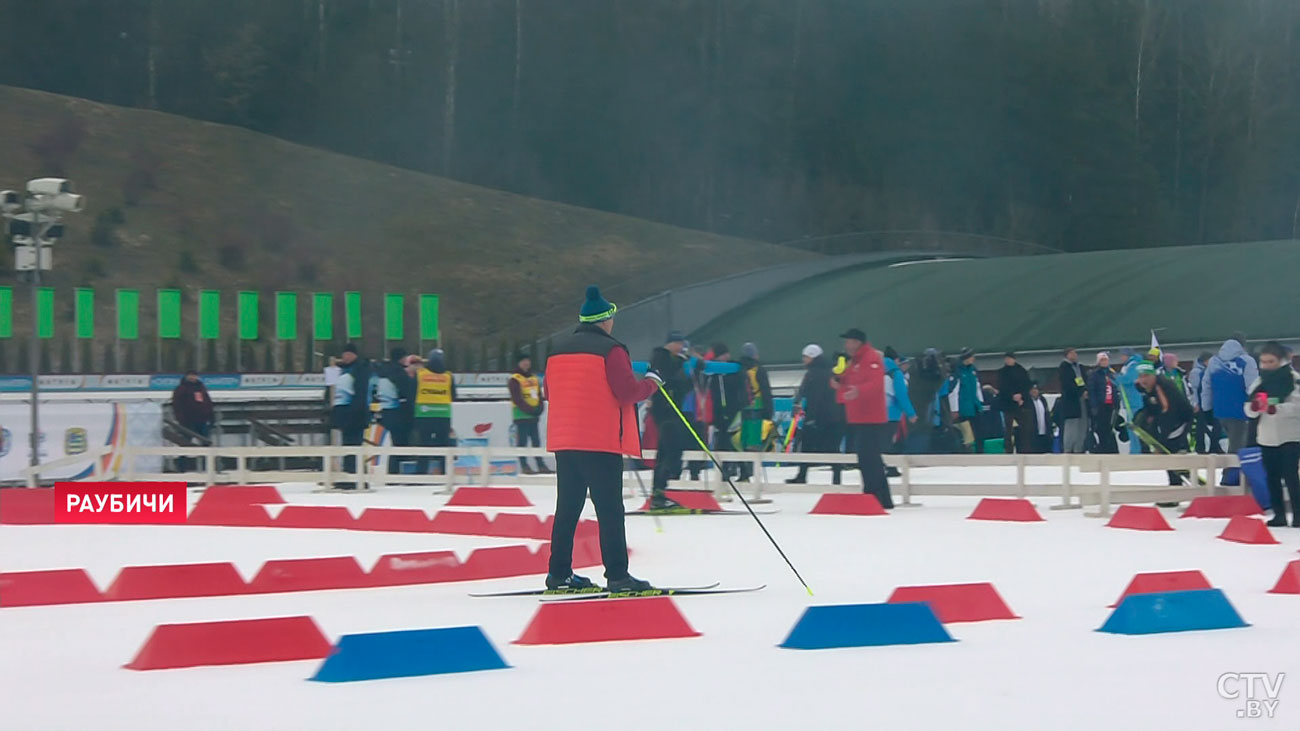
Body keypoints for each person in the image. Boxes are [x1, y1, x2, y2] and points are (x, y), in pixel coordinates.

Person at [544, 285, 659, 592]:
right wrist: (651, 384)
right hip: (600, 440)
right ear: (605, 320)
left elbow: (548, 392)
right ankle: (618, 575)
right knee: (609, 510)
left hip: (565, 440)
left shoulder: (556, 350)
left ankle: (559, 574)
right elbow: (627, 392)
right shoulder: (612, 350)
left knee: (567, 508)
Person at [834, 328, 893, 508]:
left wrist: (858, 391)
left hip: (871, 416)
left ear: (857, 342)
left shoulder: (871, 358)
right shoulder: (856, 361)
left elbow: (875, 383)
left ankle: (873, 494)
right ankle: (882, 498)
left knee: (869, 457)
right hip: (860, 416)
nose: (846, 345)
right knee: (869, 457)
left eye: (849, 341)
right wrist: (840, 383)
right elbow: (851, 381)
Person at [1245, 342, 1300, 527]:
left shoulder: (1293, 380)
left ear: (1281, 360)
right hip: (1266, 436)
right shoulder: (1259, 382)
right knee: (1272, 476)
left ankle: (1298, 515)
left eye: (1271, 361)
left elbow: (1297, 407)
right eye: (1263, 361)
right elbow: (1248, 407)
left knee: (1291, 476)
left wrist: (1275, 408)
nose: (1266, 365)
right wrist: (1254, 408)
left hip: (1290, 435)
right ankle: (1279, 515)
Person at [1201, 334, 1259, 484]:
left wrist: (1206, 407)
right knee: (1237, 447)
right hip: (1241, 410)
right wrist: (1256, 406)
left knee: (1234, 443)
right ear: (1242, 345)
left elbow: (1206, 385)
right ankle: (1229, 480)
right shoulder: (1246, 361)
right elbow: (1252, 387)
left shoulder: (1214, 361)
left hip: (1220, 411)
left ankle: (1237, 478)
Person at [788, 344, 845, 484]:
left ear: (812, 357)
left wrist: (808, 414)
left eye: (805, 357)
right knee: (833, 449)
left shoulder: (812, 374)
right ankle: (836, 479)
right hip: (834, 417)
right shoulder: (831, 371)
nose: (803, 360)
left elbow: (807, 394)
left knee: (807, 447)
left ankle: (802, 475)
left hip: (817, 416)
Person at [648, 331, 693, 508]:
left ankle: (659, 491)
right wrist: (681, 373)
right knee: (672, 450)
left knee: (665, 451)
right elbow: (665, 378)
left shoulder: (680, 360)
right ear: (671, 343)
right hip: (665, 410)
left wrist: (690, 370)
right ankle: (662, 486)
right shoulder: (660, 357)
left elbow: (686, 385)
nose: (681, 347)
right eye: (679, 343)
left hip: (676, 410)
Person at [1135, 362, 1195, 485]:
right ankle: (1175, 477)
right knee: (1142, 418)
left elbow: (1168, 413)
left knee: (1170, 448)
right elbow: (1150, 406)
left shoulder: (1162, 387)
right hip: (1164, 416)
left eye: (1146, 376)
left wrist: (1161, 441)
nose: (1143, 380)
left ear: (1153, 376)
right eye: (1141, 377)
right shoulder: (1146, 387)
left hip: (1180, 419)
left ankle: (1176, 480)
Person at [331, 344, 373, 489]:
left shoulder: (360, 369)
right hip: (345, 413)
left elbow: (361, 393)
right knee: (348, 446)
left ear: (355, 355)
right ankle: (348, 476)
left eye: (348, 354)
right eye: (344, 354)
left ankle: (356, 477)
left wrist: (355, 413)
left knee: (355, 445)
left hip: (356, 414)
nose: (345, 357)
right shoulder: (344, 370)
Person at [707, 343, 747, 481]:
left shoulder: (735, 369)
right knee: (721, 441)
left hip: (734, 409)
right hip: (719, 411)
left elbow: (740, 386)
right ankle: (725, 469)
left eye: (724, 355)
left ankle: (744, 470)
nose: (722, 358)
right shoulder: (713, 372)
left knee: (736, 441)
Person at [413, 348, 456, 476]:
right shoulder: (448, 376)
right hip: (443, 414)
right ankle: (445, 474)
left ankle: (421, 474)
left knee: (424, 446)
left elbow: (412, 391)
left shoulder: (420, 374)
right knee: (444, 446)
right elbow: (454, 395)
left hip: (423, 414)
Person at [376, 347, 416, 474]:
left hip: (386, 411)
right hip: (398, 413)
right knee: (401, 443)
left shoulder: (383, 371)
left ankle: (393, 472)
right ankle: (398, 473)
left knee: (395, 443)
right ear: (401, 358)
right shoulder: (398, 373)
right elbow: (407, 393)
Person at [509, 350, 549, 474]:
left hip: (533, 415)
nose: (526, 363)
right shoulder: (515, 379)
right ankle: (524, 465)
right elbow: (517, 398)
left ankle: (540, 464)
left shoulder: (534, 378)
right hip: (521, 415)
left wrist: (540, 407)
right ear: (518, 363)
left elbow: (538, 395)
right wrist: (531, 410)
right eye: (523, 361)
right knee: (522, 441)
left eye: (527, 361)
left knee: (536, 440)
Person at [738, 342, 774, 475]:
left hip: (742, 406)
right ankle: (751, 469)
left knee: (743, 438)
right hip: (757, 405)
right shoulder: (759, 369)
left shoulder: (739, 368)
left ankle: (742, 469)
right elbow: (765, 390)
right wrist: (769, 410)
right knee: (754, 439)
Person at [171, 370, 214, 473]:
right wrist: (181, 419)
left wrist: (211, 416)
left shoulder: (201, 388)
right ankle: (182, 467)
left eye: (194, 376)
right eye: (190, 376)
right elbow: (177, 405)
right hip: (187, 421)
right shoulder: (181, 389)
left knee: (206, 443)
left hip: (202, 420)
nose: (192, 378)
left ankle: (208, 467)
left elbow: (207, 403)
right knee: (184, 443)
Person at [948, 348, 985, 453]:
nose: (973, 359)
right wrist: (954, 409)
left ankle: (980, 452)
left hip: (974, 405)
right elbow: (953, 391)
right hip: (963, 406)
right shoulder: (957, 371)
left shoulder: (973, 369)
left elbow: (977, 386)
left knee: (979, 431)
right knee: (965, 431)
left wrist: (980, 402)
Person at [996, 352, 1033, 453]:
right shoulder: (1002, 372)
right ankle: (1008, 450)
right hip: (1008, 405)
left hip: (1022, 404)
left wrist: (1021, 396)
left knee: (1024, 430)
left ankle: (1024, 450)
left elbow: (1027, 385)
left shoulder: (1021, 371)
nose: (1008, 360)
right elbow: (1002, 388)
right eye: (1006, 359)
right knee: (1008, 430)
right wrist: (1012, 396)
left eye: (1010, 358)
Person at [1087, 352, 1120, 454]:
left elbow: (1116, 387)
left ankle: (1112, 449)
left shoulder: (1111, 373)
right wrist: (1094, 406)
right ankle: (1103, 448)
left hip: (1111, 405)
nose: (1104, 362)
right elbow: (1092, 390)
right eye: (1102, 360)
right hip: (1101, 405)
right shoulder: (1094, 374)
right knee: (1102, 428)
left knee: (1111, 427)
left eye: (1105, 360)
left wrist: (1117, 402)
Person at [1189, 351, 1221, 454]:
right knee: (1202, 426)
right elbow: (1196, 389)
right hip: (1204, 403)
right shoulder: (1198, 372)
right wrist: (1196, 403)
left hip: (1211, 403)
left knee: (1215, 426)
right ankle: (1202, 447)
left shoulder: (1210, 371)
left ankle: (1214, 446)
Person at [1057, 348, 1089, 453]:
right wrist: (1079, 391)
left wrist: (1085, 390)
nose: (1075, 355)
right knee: (1071, 425)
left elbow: (1084, 380)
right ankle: (1068, 448)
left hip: (1082, 399)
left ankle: (1079, 448)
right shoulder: (1064, 367)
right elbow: (1067, 384)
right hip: (1071, 400)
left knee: (1082, 424)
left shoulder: (1080, 367)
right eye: (1072, 353)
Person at [1116, 349, 1146, 454]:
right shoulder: (1128, 366)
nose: (1121, 358)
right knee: (1132, 427)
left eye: (1122, 355)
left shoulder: (1134, 365)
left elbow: (1129, 379)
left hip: (1135, 401)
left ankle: (1137, 450)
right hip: (1130, 401)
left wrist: (1117, 378)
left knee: (1135, 427)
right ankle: (1135, 449)